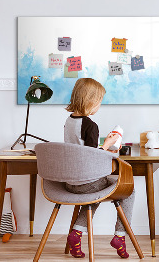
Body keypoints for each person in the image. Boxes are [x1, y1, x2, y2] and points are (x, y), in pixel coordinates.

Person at [64, 78, 134, 259]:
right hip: (87, 182)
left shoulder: (69, 121)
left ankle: (76, 234)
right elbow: (92, 157)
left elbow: (81, 150)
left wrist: (104, 145)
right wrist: (109, 144)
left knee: (94, 193)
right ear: (90, 101)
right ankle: (120, 236)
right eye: (99, 101)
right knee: (129, 190)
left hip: (70, 182)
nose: (99, 106)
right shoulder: (90, 125)